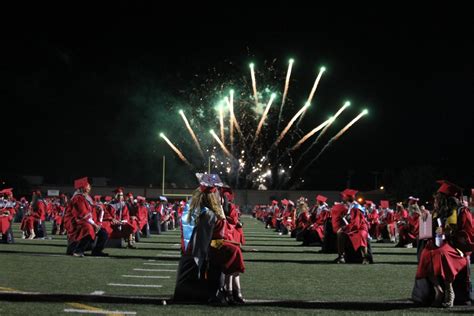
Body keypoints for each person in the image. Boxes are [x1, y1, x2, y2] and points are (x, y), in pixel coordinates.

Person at [174, 173, 245, 305]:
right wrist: (227, 242)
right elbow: (209, 241)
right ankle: (219, 293)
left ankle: (230, 291)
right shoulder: (208, 213)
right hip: (201, 253)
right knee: (230, 252)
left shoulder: (192, 208)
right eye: (217, 192)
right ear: (212, 196)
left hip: (189, 252)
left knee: (231, 250)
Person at [413, 180, 474, 307]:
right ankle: (438, 291)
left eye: (438, 198)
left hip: (456, 247)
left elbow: (469, 234)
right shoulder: (436, 212)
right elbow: (426, 234)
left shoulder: (461, 212)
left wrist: (450, 233)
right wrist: (424, 220)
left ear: (447, 199)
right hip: (437, 244)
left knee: (440, 254)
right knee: (426, 254)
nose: (436, 200)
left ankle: (449, 289)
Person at [64, 177, 108, 257]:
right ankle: (78, 251)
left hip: (85, 220)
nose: (89, 187)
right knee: (89, 229)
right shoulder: (78, 198)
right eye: (87, 186)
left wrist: (96, 207)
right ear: (82, 187)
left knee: (104, 233)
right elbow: (82, 213)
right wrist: (94, 225)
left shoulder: (87, 197)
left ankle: (97, 251)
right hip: (76, 222)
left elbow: (91, 208)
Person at [333, 189, 370, 264]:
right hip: (352, 227)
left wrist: (344, 228)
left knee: (361, 235)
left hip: (360, 228)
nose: (342, 198)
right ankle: (341, 256)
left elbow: (356, 224)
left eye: (344, 197)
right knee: (340, 234)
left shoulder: (356, 208)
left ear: (347, 198)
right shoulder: (350, 206)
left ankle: (365, 257)